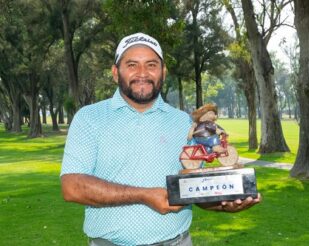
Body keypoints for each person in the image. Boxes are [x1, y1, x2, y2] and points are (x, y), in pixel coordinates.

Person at [60, 32, 261, 246]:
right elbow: (72, 187)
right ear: (115, 73)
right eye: (131, 65)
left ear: (163, 72)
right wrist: (144, 195)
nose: (142, 73)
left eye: (151, 65)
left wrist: (223, 202)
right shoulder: (90, 117)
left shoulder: (184, 123)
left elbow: (191, 188)